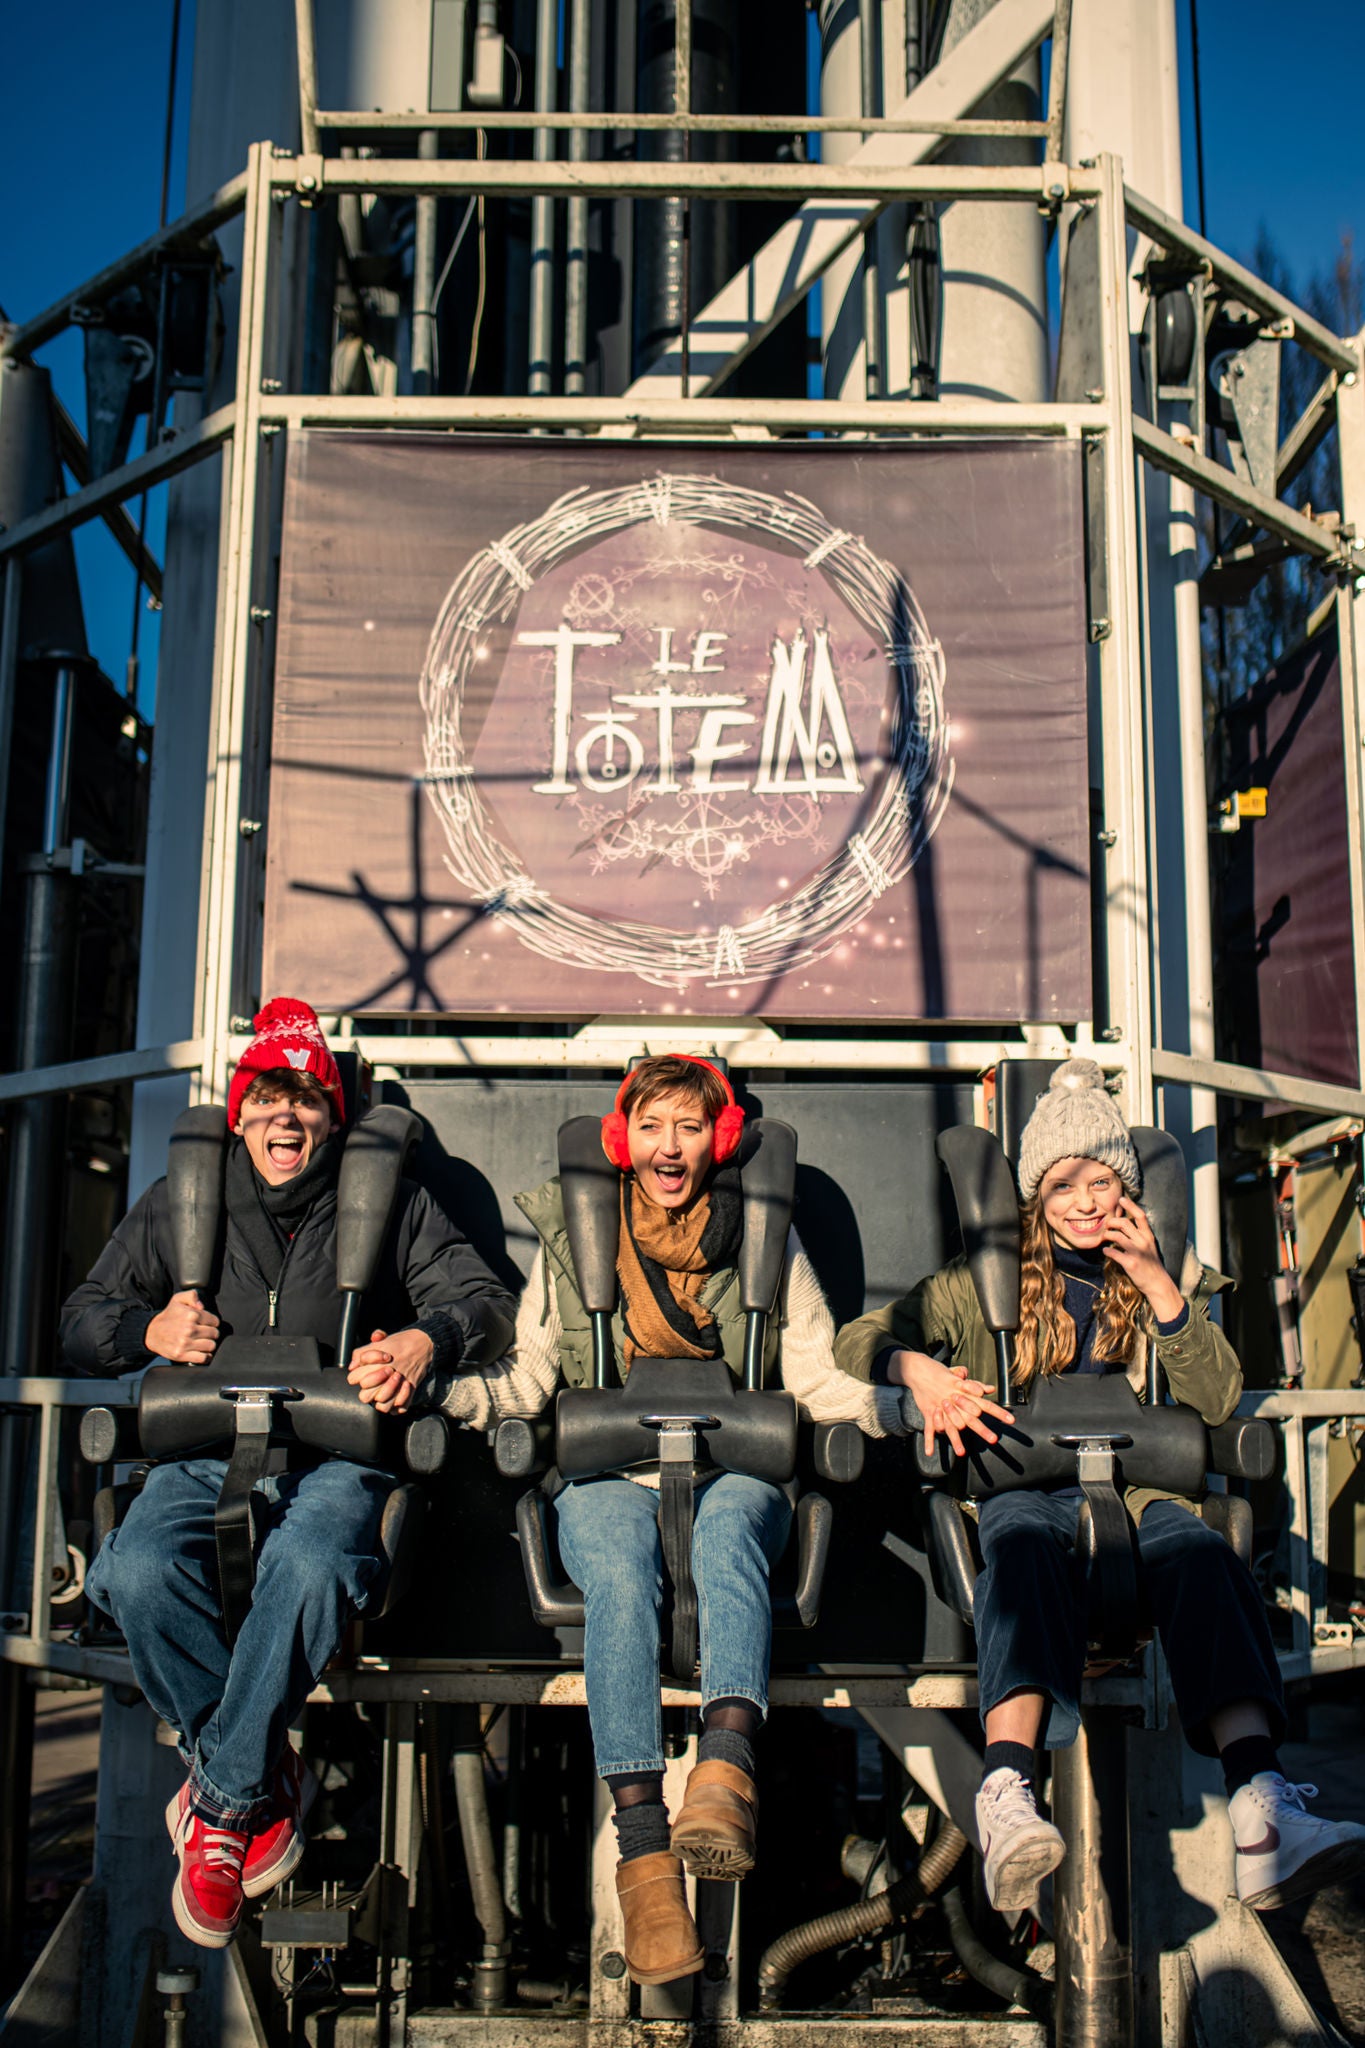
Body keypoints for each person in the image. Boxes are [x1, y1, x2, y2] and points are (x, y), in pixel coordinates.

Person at [426, 1054, 936, 1987]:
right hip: (607, 1477)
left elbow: (818, 1376)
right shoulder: (575, 1232)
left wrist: (907, 1408)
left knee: (733, 1531)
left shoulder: (765, 1236)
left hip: (730, 1468)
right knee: (619, 1567)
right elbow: (530, 1375)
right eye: (653, 1126)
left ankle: (723, 1774)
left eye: (690, 1127)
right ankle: (645, 1859)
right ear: (626, 1139)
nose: (670, 1146)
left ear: (720, 1139)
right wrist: (437, 1390)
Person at [834, 1058, 1365, 1915]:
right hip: (1025, 1492)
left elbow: (1218, 1397)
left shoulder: (1163, 1276)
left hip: (1139, 1499)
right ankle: (1006, 1790)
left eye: (1103, 1183)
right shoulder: (982, 1283)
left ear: (1127, 1191)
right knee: (1020, 1546)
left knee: (1202, 1555)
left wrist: (1159, 1286)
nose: (1086, 1203)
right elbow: (861, 1338)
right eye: (1065, 1185)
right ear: (1035, 1196)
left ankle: (1262, 1809)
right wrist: (915, 1372)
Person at [64, 998, 516, 1950]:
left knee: (312, 1564)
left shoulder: (387, 1197)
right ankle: (262, 1785)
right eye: (268, 1097)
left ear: (331, 1113)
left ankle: (223, 1808)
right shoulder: (187, 1200)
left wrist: (422, 1342)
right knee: (138, 1569)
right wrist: (143, 1331)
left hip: (333, 1460)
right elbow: (81, 1316)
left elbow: (484, 1302)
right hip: (202, 1455)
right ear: (240, 1110)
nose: (286, 1118)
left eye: (306, 1098)